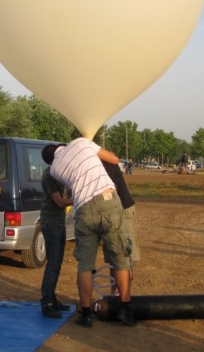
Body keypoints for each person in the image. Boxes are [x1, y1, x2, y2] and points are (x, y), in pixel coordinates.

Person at [42, 138, 135, 327]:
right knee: (120, 258)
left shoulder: (54, 170)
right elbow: (113, 159)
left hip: (83, 208)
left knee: (85, 264)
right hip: (106, 199)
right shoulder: (81, 142)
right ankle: (125, 309)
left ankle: (85, 314)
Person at [39, 166, 74, 318]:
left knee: (57, 262)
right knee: (53, 263)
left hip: (59, 221)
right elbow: (60, 203)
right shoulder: (49, 175)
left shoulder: (61, 173)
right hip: (51, 222)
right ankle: (46, 302)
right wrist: (82, 196)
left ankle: (52, 298)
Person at [101, 161, 140, 293]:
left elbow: (111, 193)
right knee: (113, 256)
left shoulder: (105, 165)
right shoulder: (99, 163)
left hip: (124, 211)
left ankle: (124, 297)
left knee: (125, 257)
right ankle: (115, 294)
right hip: (111, 214)